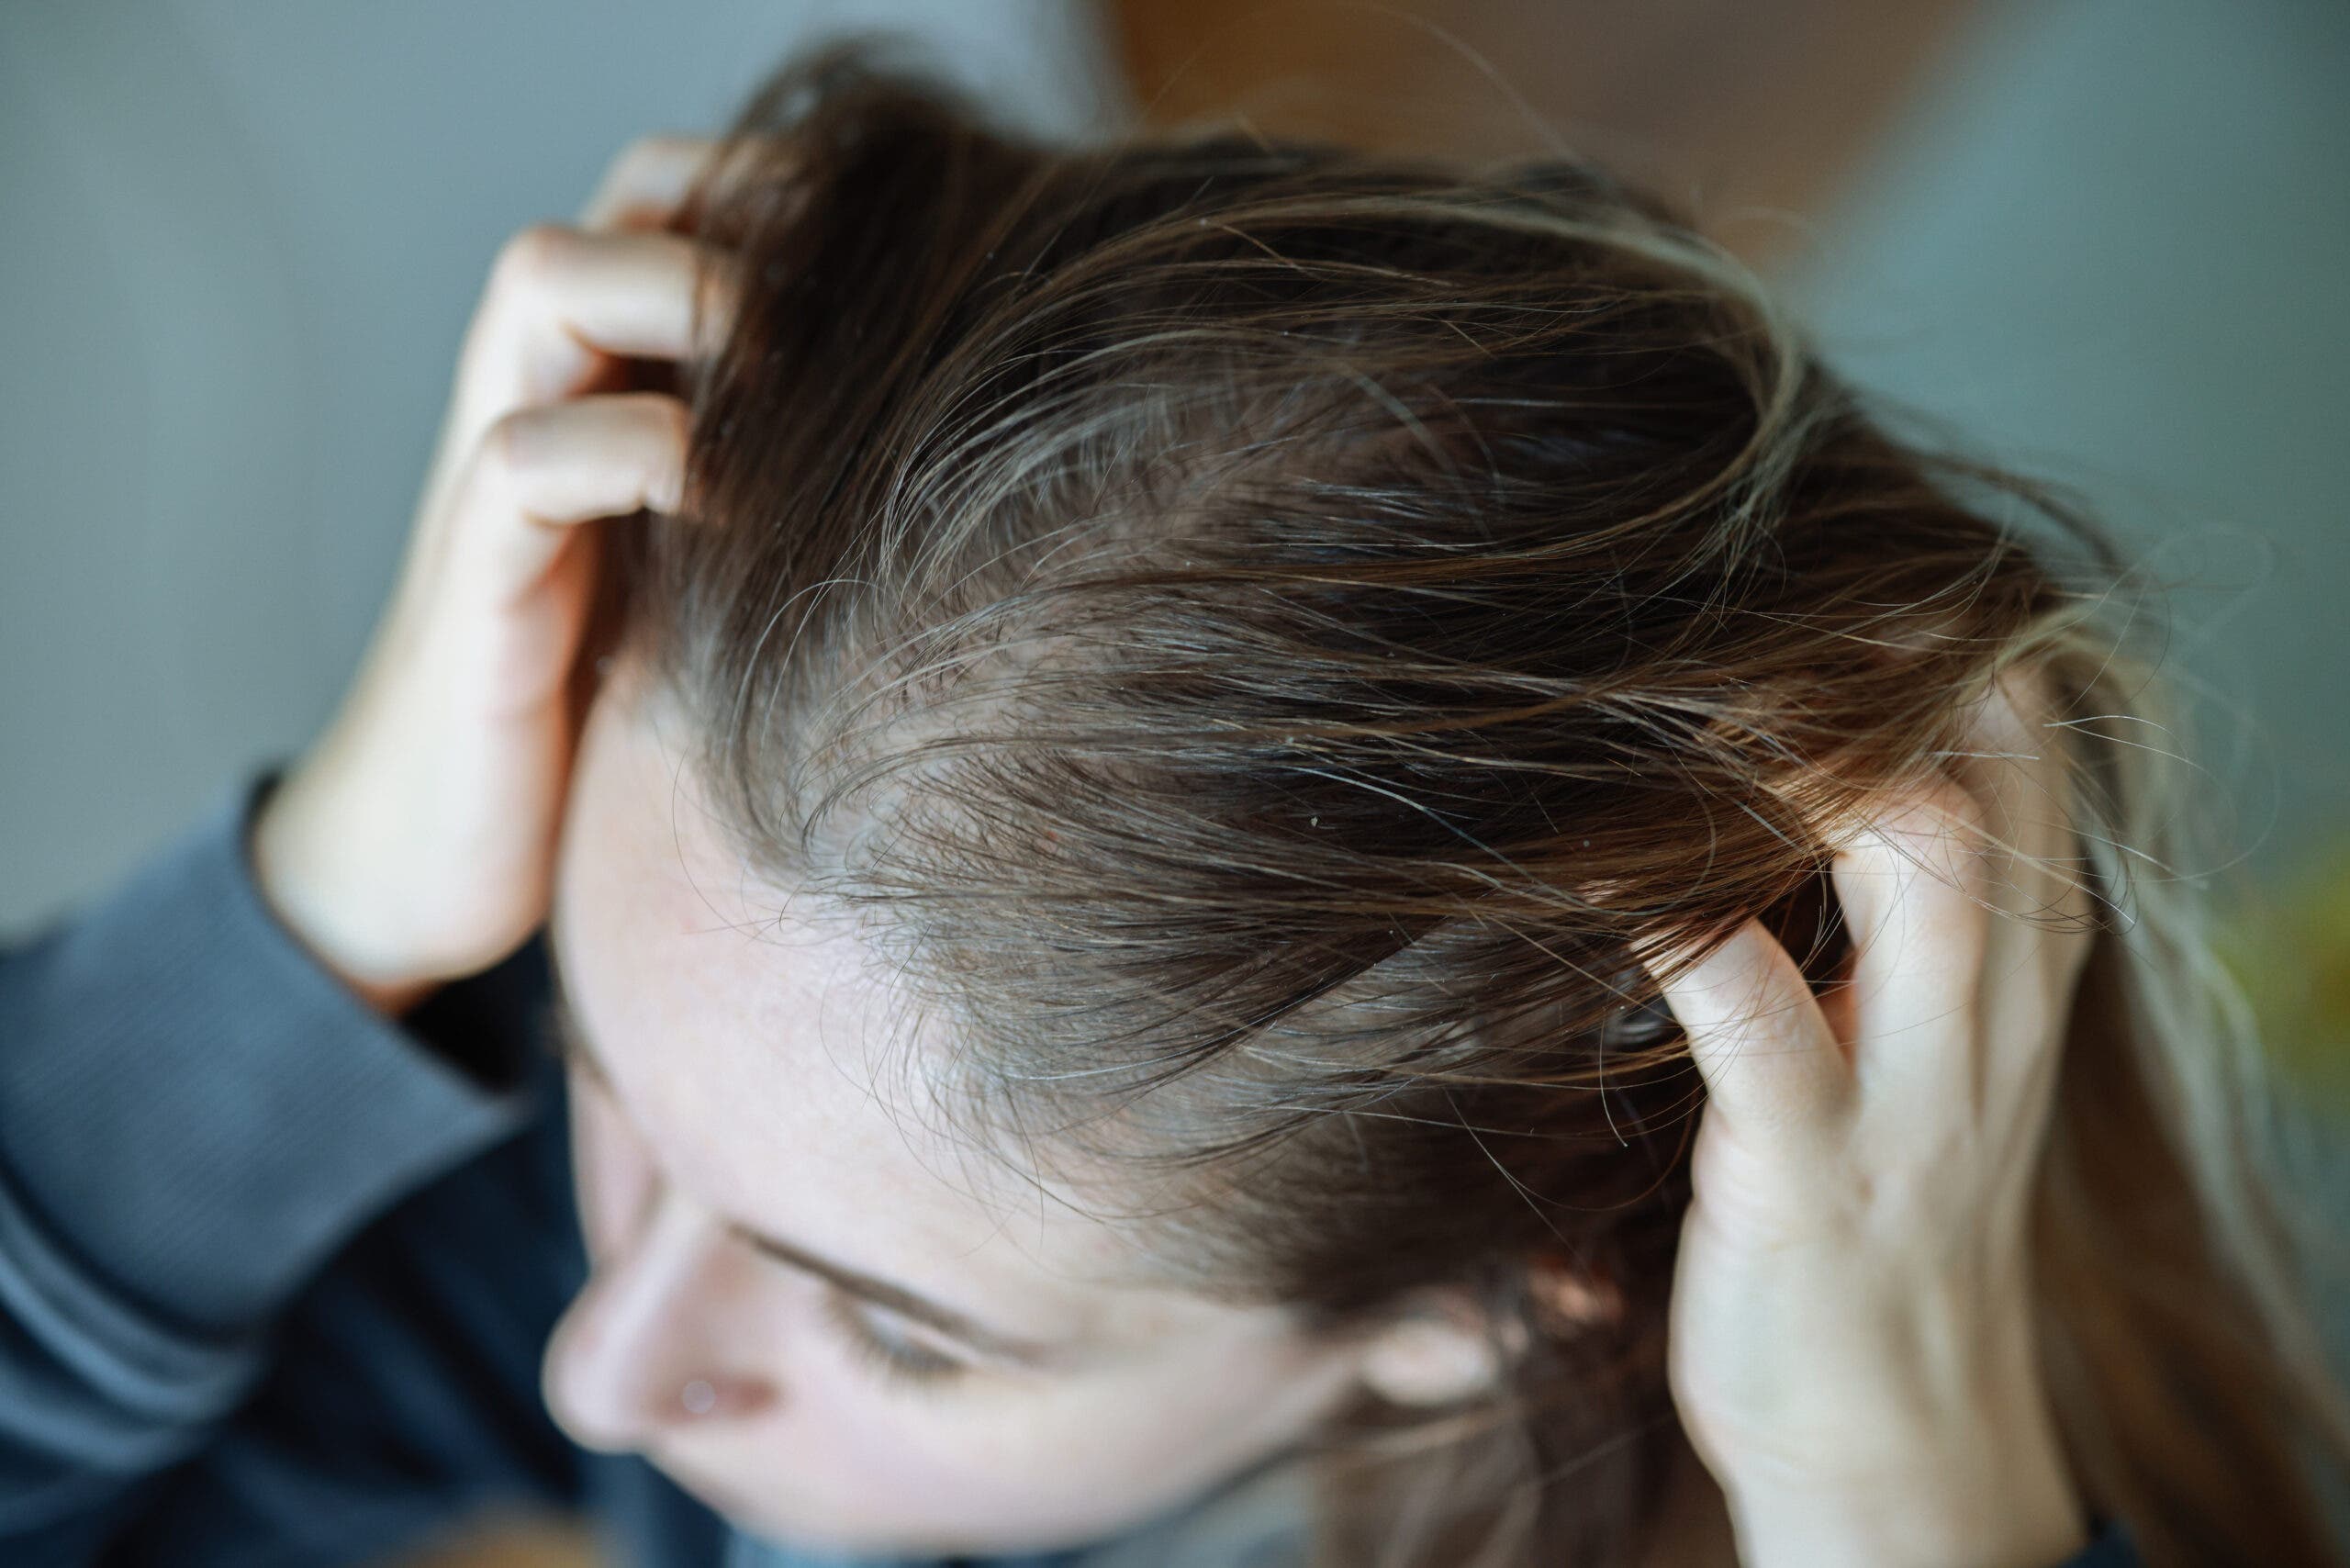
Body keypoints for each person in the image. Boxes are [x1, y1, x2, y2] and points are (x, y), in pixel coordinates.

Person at [3, 40, 2343, 1568]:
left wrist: (1907, 1525)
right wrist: (311, 916)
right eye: (592, 1071)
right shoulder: (703, 1209)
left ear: (1482, 1314)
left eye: (904, 1332)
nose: (603, 1357)